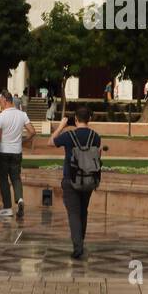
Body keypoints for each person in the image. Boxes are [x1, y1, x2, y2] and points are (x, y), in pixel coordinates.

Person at [51, 105, 101, 260]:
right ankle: (81, 242)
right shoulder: (95, 136)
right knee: (83, 211)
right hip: (89, 179)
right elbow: (97, 155)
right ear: (90, 119)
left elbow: (50, 142)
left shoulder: (68, 135)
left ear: (76, 119)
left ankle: (77, 246)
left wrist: (61, 126)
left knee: (73, 213)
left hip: (70, 179)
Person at [0, 90, 34, 217]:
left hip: (3, 151)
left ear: (5, 100)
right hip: (17, 151)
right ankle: (20, 199)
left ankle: (7, 207)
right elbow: (32, 131)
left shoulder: (0, 116)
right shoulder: (22, 114)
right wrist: (23, 141)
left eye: (0, 102)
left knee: (4, 179)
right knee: (16, 178)